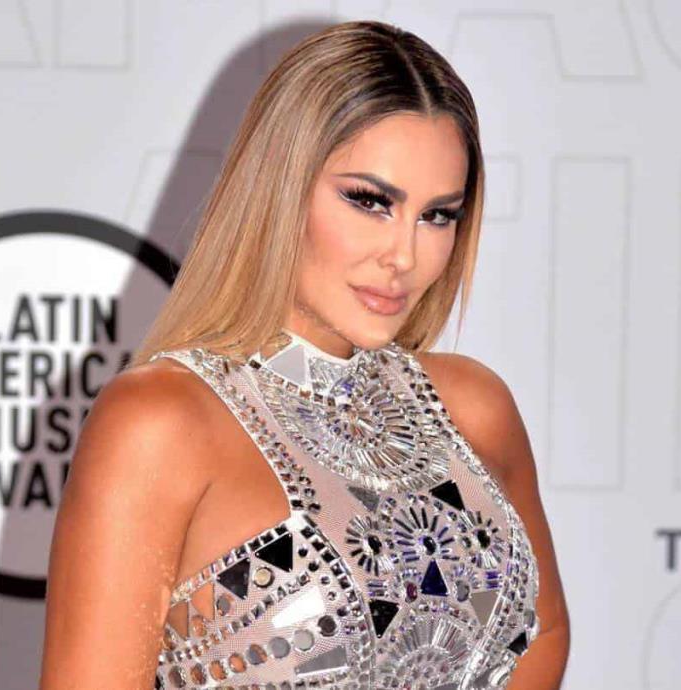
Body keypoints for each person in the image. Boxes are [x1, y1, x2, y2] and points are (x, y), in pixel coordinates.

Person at [39, 19, 569, 690]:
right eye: (369, 201)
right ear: (278, 187)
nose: (404, 255)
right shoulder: (160, 421)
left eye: (438, 215)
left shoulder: (474, 407)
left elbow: (544, 633)